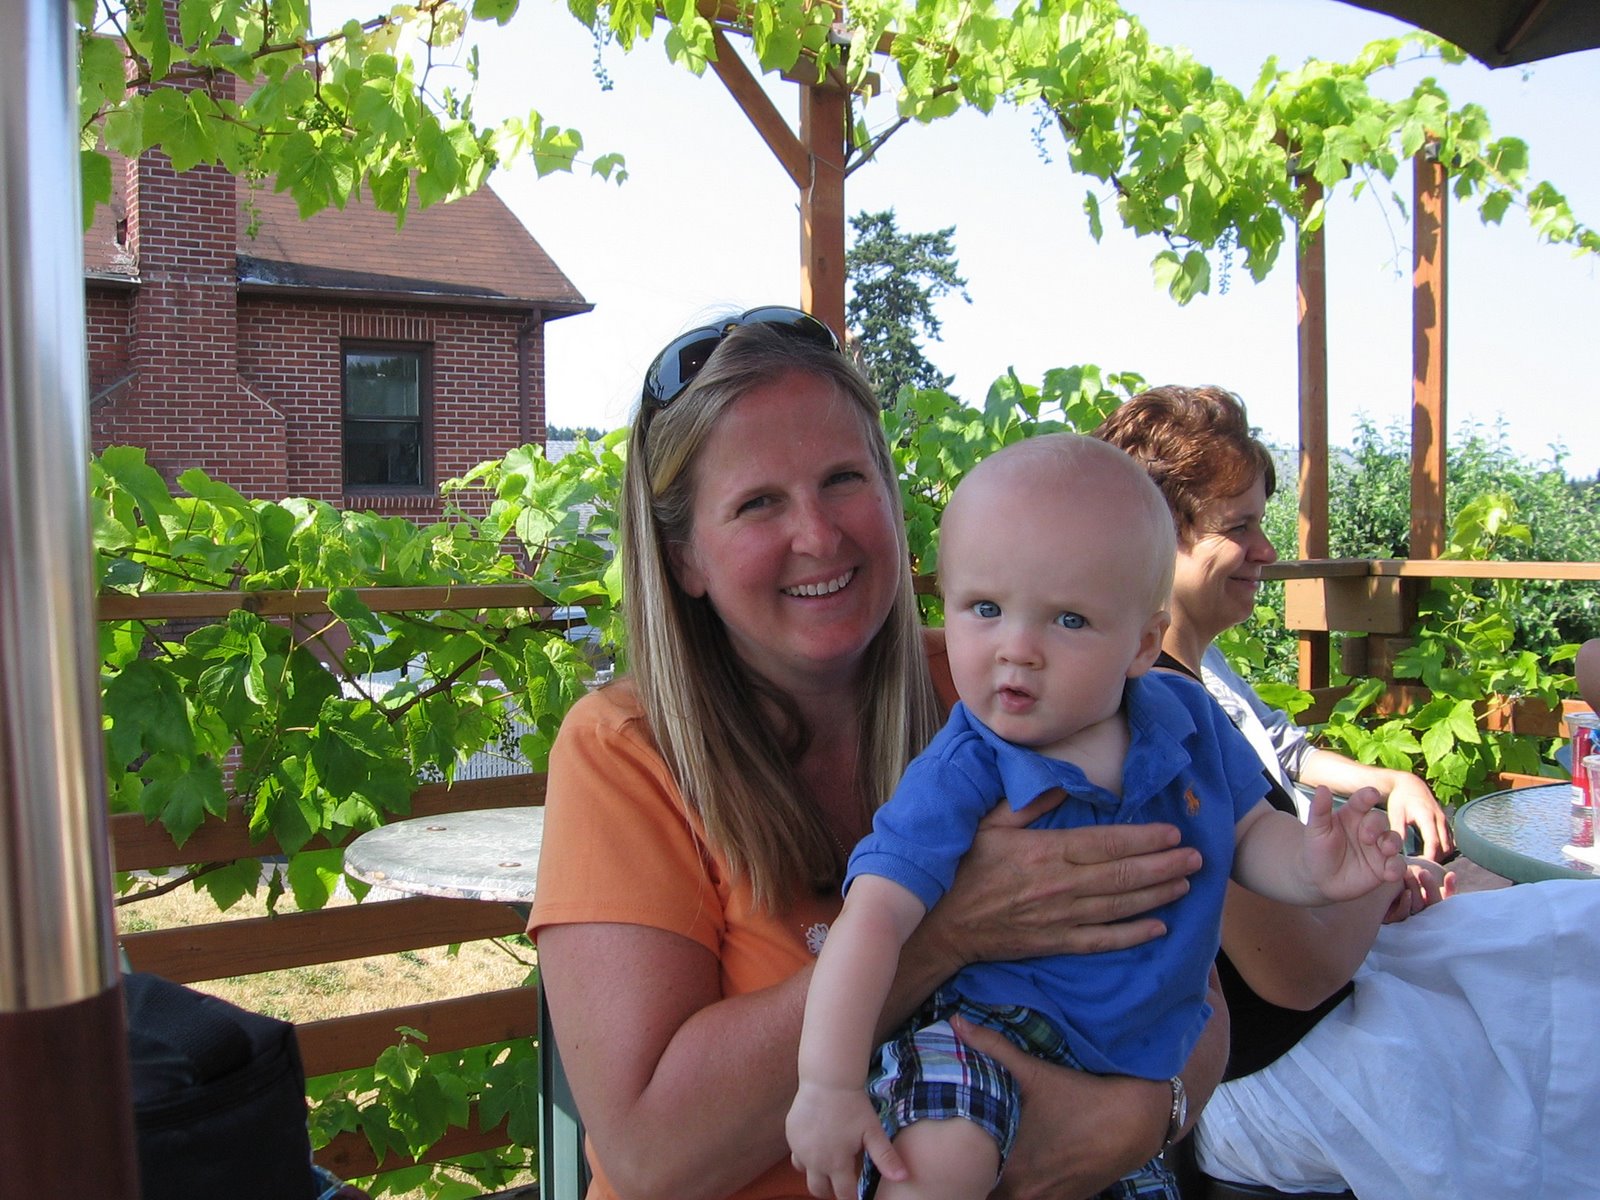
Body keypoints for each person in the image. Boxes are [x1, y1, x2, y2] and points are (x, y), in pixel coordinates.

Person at [526, 308, 1228, 1200]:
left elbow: (1197, 990)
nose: (820, 535)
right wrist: (947, 930)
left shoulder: (1012, 687)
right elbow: (649, 1154)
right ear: (684, 558)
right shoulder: (624, 753)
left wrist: (1140, 1120)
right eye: (758, 503)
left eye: (843, 480)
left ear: (893, 499)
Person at [785, 435, 1403, 1200]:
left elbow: (1250, 836)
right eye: (986, 609)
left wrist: (1312, 867)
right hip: (983, 1038)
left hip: (1130, 1068)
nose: (1017, 649)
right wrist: (827, 1083)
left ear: (1142, 644)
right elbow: (873, 918)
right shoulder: (967, 766)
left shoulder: (1187, 720)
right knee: (939, 1163)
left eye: (1069, 620)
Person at [1099, 385, 1600, 1198]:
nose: (1267, 549)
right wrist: (1378, 875)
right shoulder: (1160, 723)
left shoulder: (1174, 684)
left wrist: (1366, 880)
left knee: (1569, 937)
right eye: (1239, 528)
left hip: (1306, 1024)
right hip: (1274, 1077)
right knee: (1564, 981)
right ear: (1154, 541)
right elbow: (1292, 975)